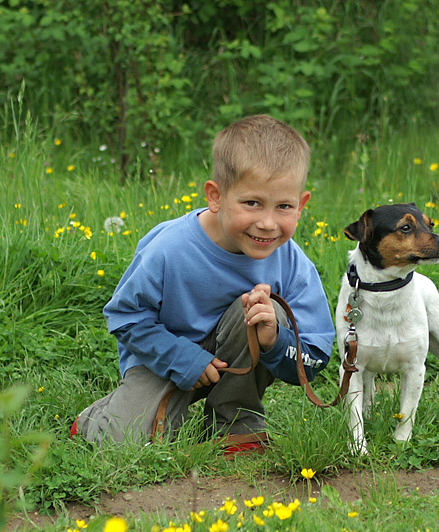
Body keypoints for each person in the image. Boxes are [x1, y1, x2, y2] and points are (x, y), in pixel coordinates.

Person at [72, 115, 335, 451]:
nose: (268, 223)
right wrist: (184, 360)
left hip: (236, 356)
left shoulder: (293, 262)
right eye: (252, 203)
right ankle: (96, 419)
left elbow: (314, 355)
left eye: (284, 206)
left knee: (264, 312)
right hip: (164, 359)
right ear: (216, 195)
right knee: (126, 442)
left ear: (302, 205)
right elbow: (125, 316)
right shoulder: (169, 249)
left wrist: (274, 340)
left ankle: (236, 422)